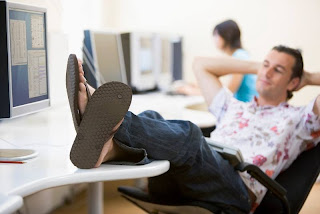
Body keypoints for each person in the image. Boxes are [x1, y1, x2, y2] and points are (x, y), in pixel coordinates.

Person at [73, 45, 320, 213]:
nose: (266, 72)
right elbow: (201, 64)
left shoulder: (302, 119)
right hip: (196, 176)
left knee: (191, 137)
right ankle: (110, 149)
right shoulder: (234, 107)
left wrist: (307, 78)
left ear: (294, 82)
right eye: (265, 65)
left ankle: (106, 116)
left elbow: (203, 67)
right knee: (154, 118)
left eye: (278, 70)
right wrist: (264, 66)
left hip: (236, 190)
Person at [176, 19, 258, 102]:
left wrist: (192, 91)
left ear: (226, 36)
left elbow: (228, 92)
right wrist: (198, 86)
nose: (214, 39)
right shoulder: (240, 54)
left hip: (246, 107)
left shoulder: (238, 57)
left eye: (216, 35)